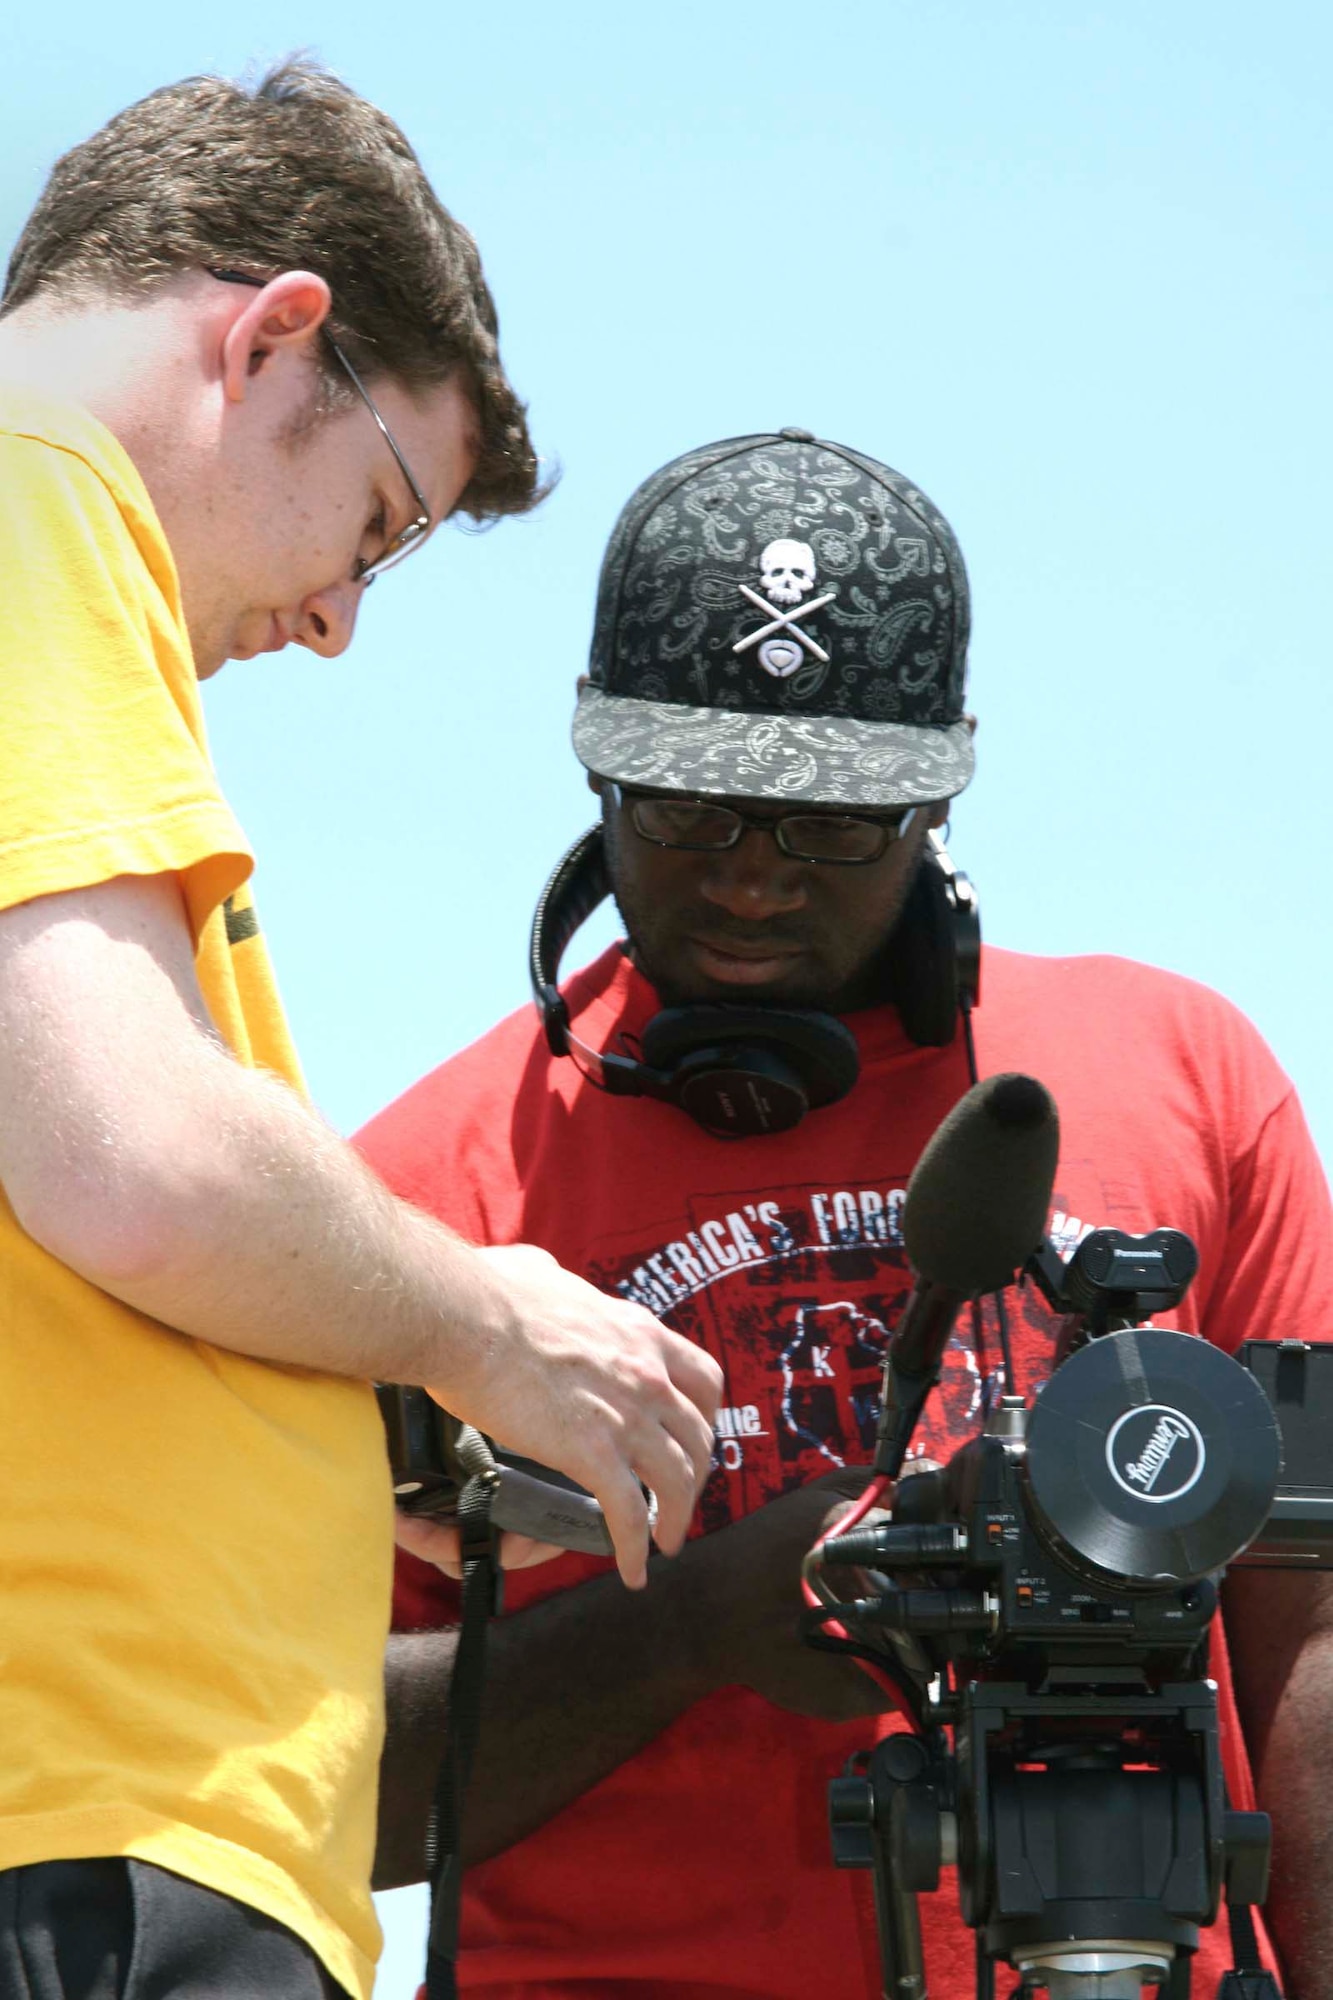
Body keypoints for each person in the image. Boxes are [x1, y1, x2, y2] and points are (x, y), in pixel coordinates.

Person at [359, 429, 1333, 2000]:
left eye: (830, 826)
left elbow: (1312, 1643)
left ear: (938, 796)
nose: (750, 881)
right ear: (593, 768)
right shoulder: (410, 1200)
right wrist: (688, 1630)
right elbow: (304, 1784)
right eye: (686, 813)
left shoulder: (1190, 1080)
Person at [0, 65, 721, 2000]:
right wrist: (481, 1320)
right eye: (379, 522)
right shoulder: (37, 492)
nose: (334, 623)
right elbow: (128, 1156)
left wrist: (373, 1421)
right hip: (90, 1840)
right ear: (273, 334)